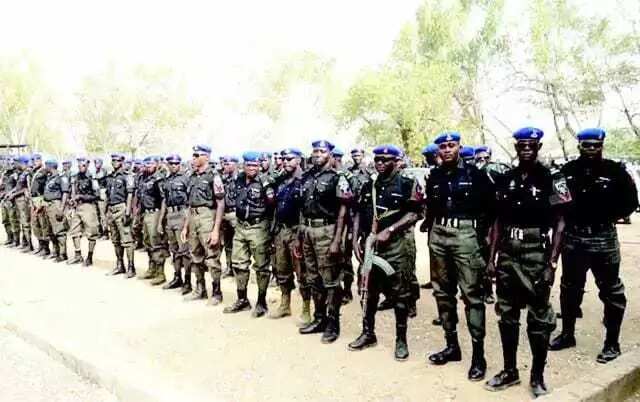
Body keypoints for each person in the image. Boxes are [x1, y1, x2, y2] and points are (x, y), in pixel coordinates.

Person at [484, 127, 569, 397]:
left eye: (531, 145)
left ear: (539, 146)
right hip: (508, 251)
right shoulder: (506, 178)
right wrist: (491, 258)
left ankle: (537, 375)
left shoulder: (552, 178)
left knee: (539, 316)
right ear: (516, 147)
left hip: (536, 251)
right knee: (507, 314)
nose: (526, 149)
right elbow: (498, 220)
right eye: (522, 145)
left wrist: (552, 263)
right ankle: (510, 371)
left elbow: (561, 222)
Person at [550, 128, 638, 364]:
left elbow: (632, 202)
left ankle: (612, 343)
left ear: (601, 146)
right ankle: (567, 335)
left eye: (595, 145)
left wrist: (609, 215)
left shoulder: (615, 171)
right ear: (579, 146)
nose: (591, 149)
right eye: (586, 145)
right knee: (570, 288)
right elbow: (557, 202)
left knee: (611, 291)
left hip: (603, 238)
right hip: (574, 238)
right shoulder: (566, 172)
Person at [425, 131, 494, 381]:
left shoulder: (476, 175)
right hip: (439, 234)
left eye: (451, 145)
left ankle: (478, 356)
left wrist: (481, 238)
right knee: (442, 292)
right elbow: (430, 209)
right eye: (442, 146)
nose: (446, 150)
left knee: (471, 295)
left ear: (459, 147)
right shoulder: (434, 175)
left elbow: (490, 209)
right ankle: (451, 345)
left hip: (466, 234)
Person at [348, 144, 423, 361]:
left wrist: (390, 230)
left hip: (397, 246)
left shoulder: (407, 183)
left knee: (400, 295)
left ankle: (401, 340)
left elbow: (415, 214)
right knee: (367, 291)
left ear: (396, 161)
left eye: (385, 160)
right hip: (372, 246)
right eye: (378, 160)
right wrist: (355, 240)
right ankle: (368, 333)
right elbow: (357, 214)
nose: (380, 164)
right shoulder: (367, 185)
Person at [296, 140, 353, 343]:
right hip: (308, 230)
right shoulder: (307, 177)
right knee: (313, 278)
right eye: (315, 151)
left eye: (322, 151)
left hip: (327, 230)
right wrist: (299, 236)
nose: (317, 154)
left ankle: (333, 323)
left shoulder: (338, 178)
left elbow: (343, 210)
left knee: (330, 280)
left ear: (330, 154)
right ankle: (319, 318)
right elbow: (302, 208)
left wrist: (337, 239)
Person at [223, 151, 276, 316]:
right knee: (238, 263)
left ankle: (261, 301)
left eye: (255, 165)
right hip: (240, 226)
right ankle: (242, 299)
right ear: (243, 165)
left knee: (261, 266)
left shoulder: (265, 181)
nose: (252, 168)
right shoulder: (237, 180)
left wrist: (271, 230)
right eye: (249, 165)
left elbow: (272, 206)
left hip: (259, 227)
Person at [181, 145, 226, 303]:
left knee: (212, 256)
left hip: (208, 217)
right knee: (195, 255)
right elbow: (190, 204)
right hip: (193, 217)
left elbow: (220, 203)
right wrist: (186, 226)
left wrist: (215, 230)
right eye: (192, 155)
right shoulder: (192, 176)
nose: (193, 158)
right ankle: (200, 289)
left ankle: (216, 292)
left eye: (196, 155)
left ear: (206, 157)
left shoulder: (214, 176)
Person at [270, 148, 310, 323]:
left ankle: (306, 308)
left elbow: (306, 210)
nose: (285, 161)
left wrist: (301, 237)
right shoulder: (280, 180)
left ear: (299, 160)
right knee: (282, 270)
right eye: (283, 159)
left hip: (297, 231)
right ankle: (285, 305)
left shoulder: (306, 180)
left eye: (289, 159)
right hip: (281, 231)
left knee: (302, 272)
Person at [160, 154, 192, 294]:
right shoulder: (166, 181)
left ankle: (188, 281)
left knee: (184, 250)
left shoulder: (186, 179)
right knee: (174, 250)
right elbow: (164, 201)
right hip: (170, 215)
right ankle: (177, 277)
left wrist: (187, 221)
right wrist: (161, 220)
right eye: (171, 163)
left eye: (176, 163)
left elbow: (190, 201)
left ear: (179, 164)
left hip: (182, 214)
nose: (173, 166)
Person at [137, 156, 170, 286]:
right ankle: (152, 269)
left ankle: (160, 273)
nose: (147, 166)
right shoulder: (143, 178)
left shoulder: (158, 178)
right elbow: (140, 196)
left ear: (156, 164)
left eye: (150, 164)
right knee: (147, 242)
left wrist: (161, 218)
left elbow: (163, 199)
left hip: (155, 213)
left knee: (156, 242)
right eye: (146, 164)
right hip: (146, 213)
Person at [105, 152, 137, 278]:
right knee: (115, 240)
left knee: (127, 239)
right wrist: (105, 211)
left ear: (122, 162)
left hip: (122, 207)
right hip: (111, 209)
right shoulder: (110, 177)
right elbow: (107, 195)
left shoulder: (127, 176)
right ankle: (120, 265)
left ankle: (131, 267)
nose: (114, 163)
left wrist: (128, 212)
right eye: (113, 161)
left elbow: (130, 194)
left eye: (117, 161)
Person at [67, 157, 100, 266]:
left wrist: (81, 196)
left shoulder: (92, 178)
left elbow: (97, 195)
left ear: (87, 165)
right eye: (79, 165)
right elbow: (71, 191)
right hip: (77, 207)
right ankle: (78, 255)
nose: (81, 167)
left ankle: (89, 257)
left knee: (91, 232)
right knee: (74, 231)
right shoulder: (75, 177)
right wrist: (71, 201)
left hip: (88, 206)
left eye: (83, 165)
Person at [43, 159, 70, 262]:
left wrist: (61, 209)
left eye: (46, 165)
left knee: (59, 230)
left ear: (51, 166)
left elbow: (65, 193)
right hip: (48, 205)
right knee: (50, 230)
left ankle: (63, 254)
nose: (45, 168)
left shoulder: (61, 177)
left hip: (56, 204)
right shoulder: (50, 178)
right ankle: (56, 251)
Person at [220, 155, 239, 278]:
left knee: (238, 243)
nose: (224, 166)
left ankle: (238, 269)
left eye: (227, 164)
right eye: (224, 164)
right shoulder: (224, 179)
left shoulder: (241, 179)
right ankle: (229, 267)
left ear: (234, 164)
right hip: (225, 214)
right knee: (227, 243)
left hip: (236, 213)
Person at [29, 154, 51, 257]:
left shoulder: (44, 172)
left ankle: (46, 248)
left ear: (41, 160)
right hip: (33, 199)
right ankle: (40, 245)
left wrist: (42, 202)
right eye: (33, 160)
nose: (34, 162)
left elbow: (46, 188)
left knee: (43, 224)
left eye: (36, 160)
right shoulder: (33, 172)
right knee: (35, 223)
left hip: (41, 198)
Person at [12, 155, 33, 251]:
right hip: (18, 199)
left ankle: (29, 245)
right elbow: (18, 187)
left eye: (19, 163)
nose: (18, 165)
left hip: (23, 200)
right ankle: (24, 243)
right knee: (21, 221)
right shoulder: (21, 173)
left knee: (25, 223)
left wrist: (15, 194)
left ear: (23, 163)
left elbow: (27, 188)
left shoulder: (27, 173)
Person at [1, 157, 19, 247]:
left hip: (12, 200)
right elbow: (2, 186)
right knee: (5, 220)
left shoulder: (15, 174)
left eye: (8, 162)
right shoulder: (4, 174)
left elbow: (18, 186)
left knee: (13, 220)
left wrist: (11, 193)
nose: (6, 164)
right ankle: (9, 238)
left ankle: (16, 240)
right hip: (4, 200)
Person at [93, 158, 109, 239]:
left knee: (103, 214)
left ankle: (105, 233)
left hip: (103, 193)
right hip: (96, 194)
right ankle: (100, 231)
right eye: (95, 163)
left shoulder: (104, 171)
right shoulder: (95, 172)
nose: (97, 164)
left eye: (98, 163)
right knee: (97, 214)